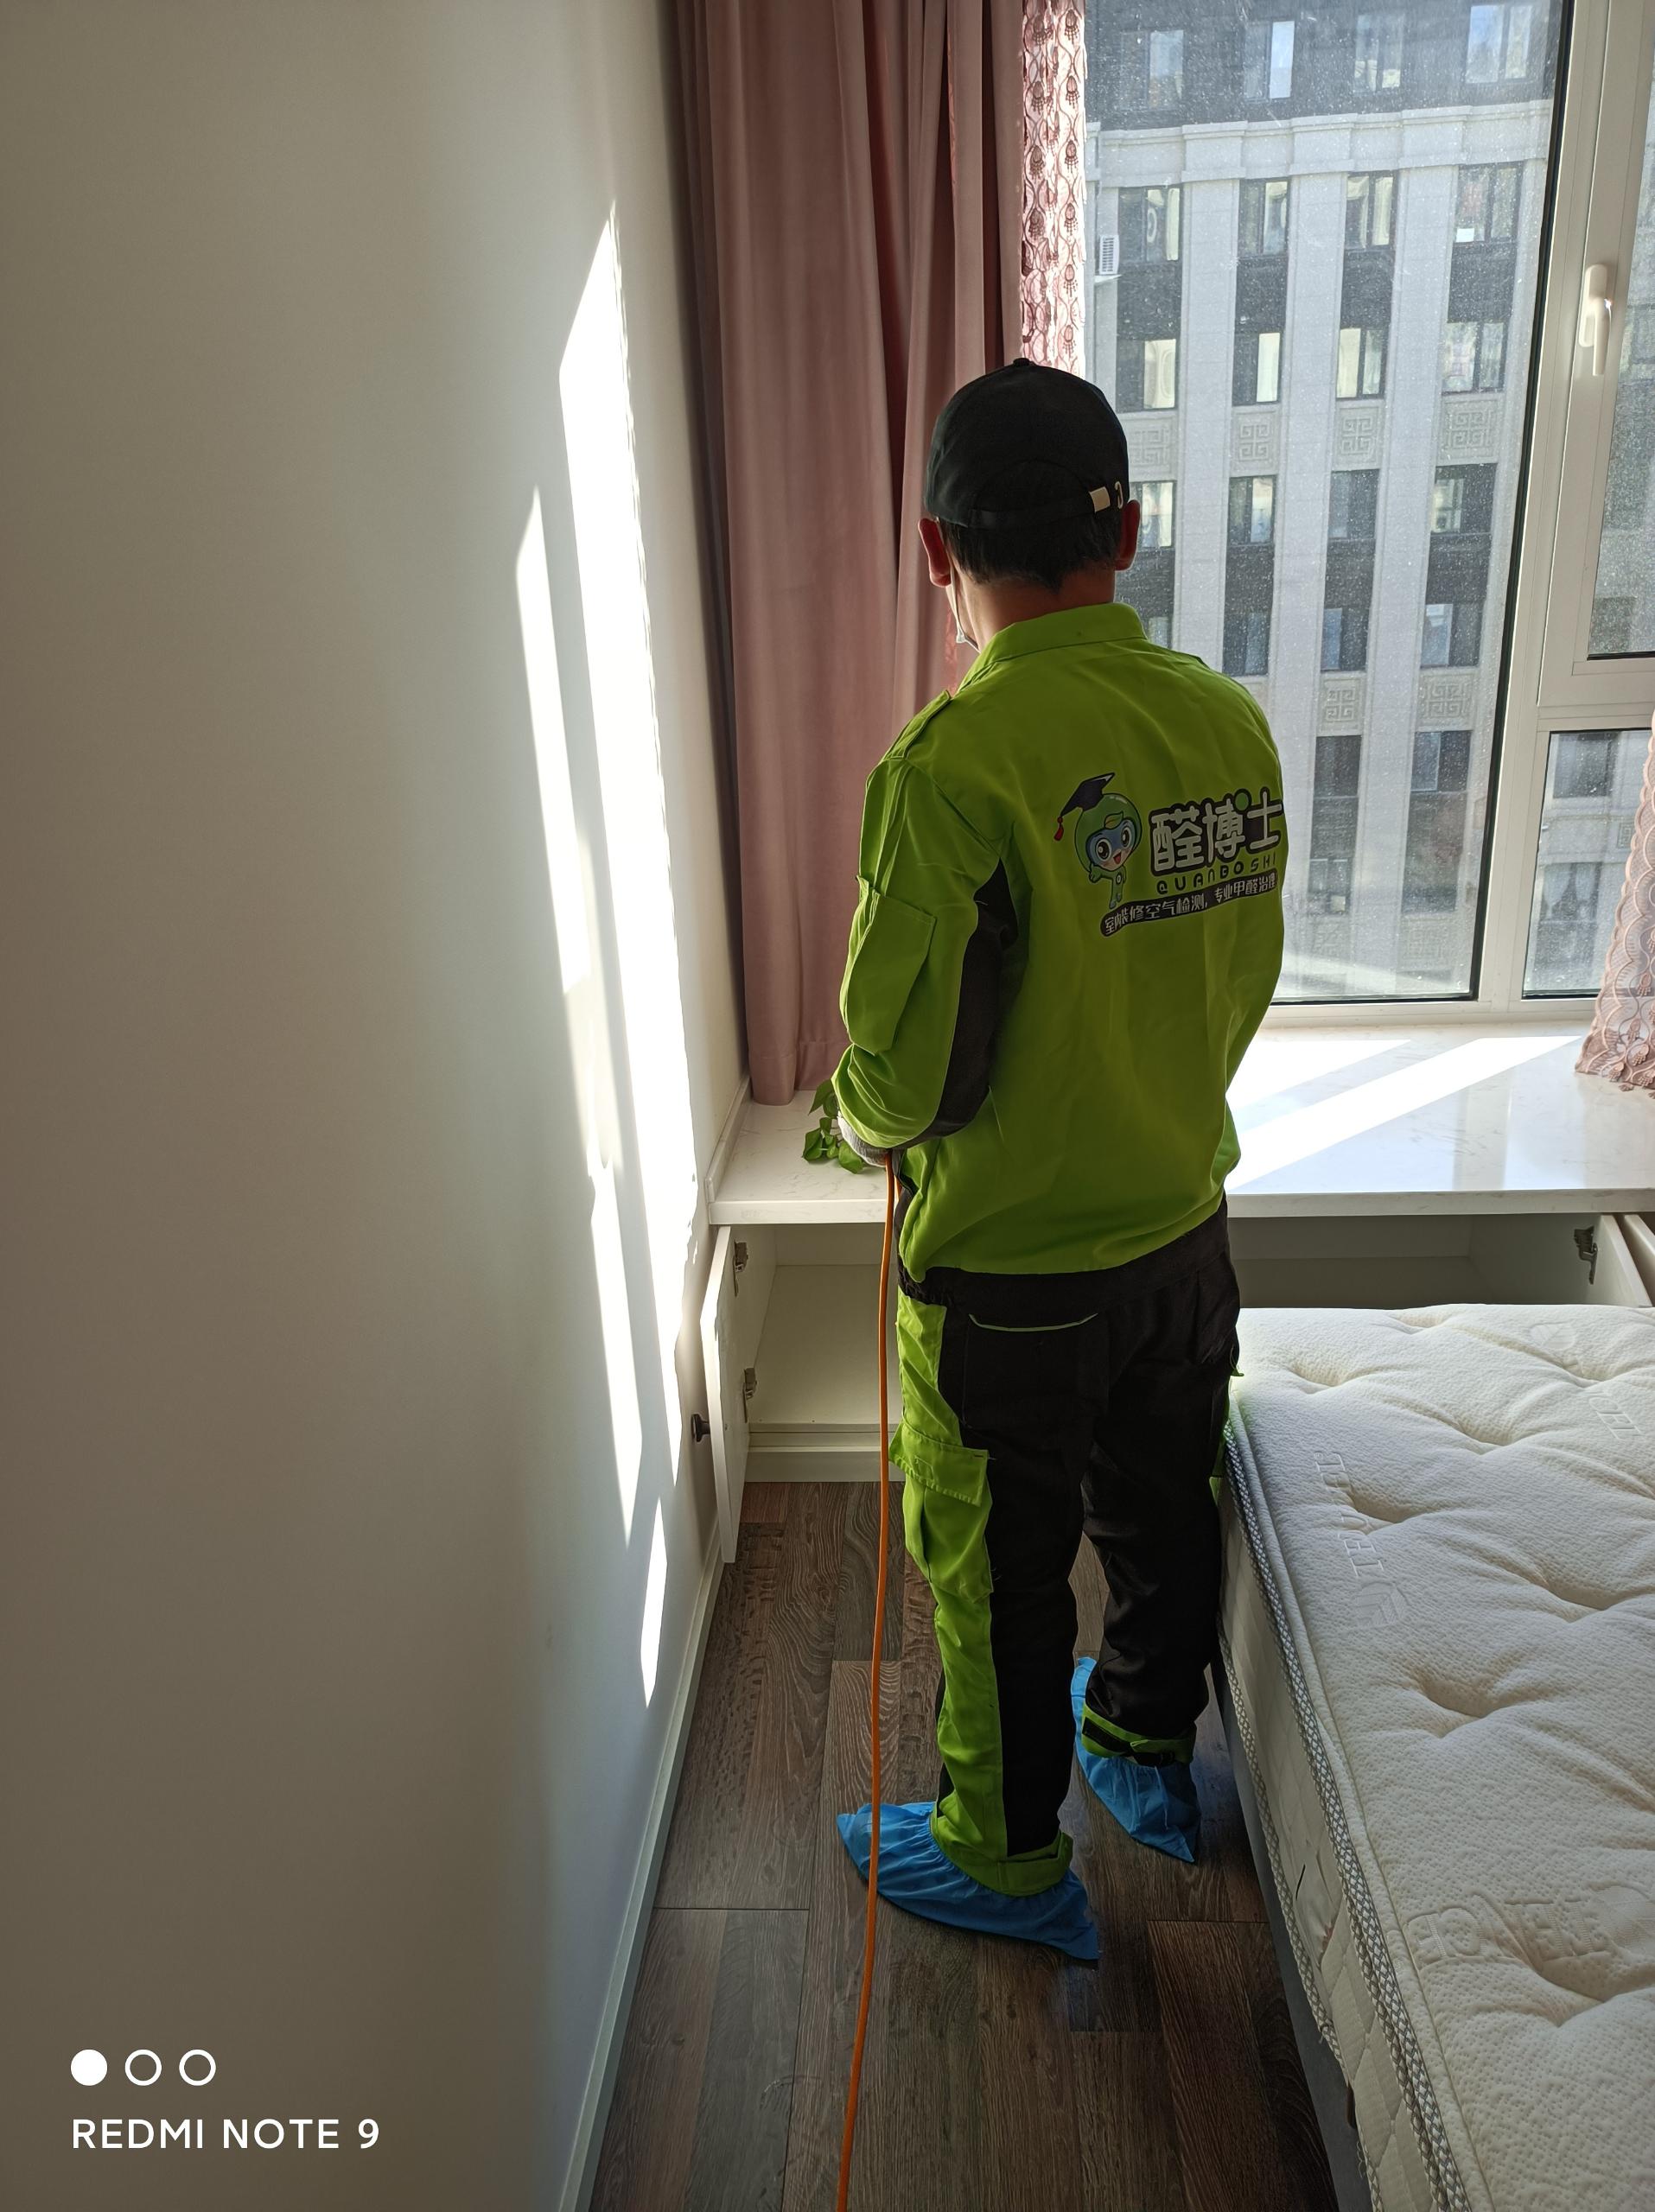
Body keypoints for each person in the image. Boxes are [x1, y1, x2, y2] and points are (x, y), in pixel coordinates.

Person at [831, 359, 1286, 1959]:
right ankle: (1144, 1749)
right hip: (1183, 1233)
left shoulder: (950, 766)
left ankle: (1006, 1856)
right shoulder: (1226, 722)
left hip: (1010, 1282)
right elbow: (1235, 981)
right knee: (1164, 1507)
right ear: (1130, 533)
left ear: (936, 552)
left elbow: (898, 1077)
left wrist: (850, 1127)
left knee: (998, 1573)